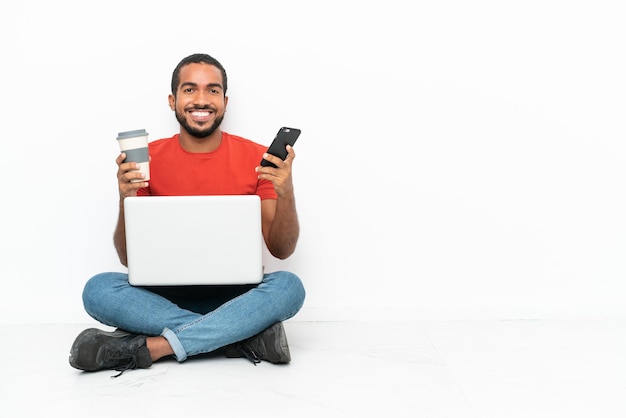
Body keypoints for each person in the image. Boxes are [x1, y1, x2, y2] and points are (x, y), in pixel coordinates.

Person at [69, 53, 306, 376]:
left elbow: (282, 249)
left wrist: (286, 190)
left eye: (212, 90)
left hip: (235, 298)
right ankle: (239, 337)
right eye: (190, 89)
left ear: (224, 100)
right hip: (160, 300)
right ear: (173, 100)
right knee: (97, 289)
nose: (201, 100)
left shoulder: (257, 157)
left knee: (289, 287)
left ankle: (154, 348)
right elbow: (128, 259)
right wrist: (126, 198)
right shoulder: (145, 159)